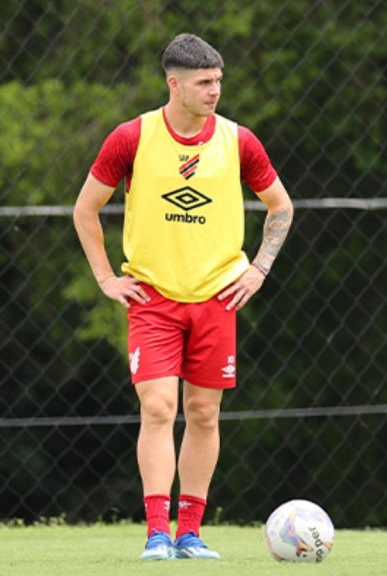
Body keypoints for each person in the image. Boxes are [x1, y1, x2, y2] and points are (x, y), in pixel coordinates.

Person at [73, 33, 293, 560]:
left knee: (203, 413)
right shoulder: (132, 137)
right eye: (204, 82)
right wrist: (106, 278)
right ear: (174, 84)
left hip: (217, 299)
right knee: (157, 407)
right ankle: (156, 533)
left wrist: (259, 267)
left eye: (218, 81)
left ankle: (190, 533)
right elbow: (85, 210)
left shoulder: (239, 141)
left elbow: (280, 207)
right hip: (153, 298)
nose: (215, 91)